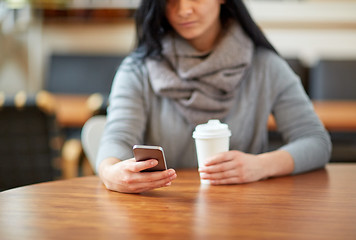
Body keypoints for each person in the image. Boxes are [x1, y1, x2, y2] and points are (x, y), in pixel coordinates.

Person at [96, 0, 331, 193]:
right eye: (170, 0)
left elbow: (316, 142)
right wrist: (110, 173)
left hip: (246, 211)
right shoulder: (138, 69)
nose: (184, 9)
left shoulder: (266, 66)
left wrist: (261, 166)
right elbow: (116, 140)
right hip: (165, 210)